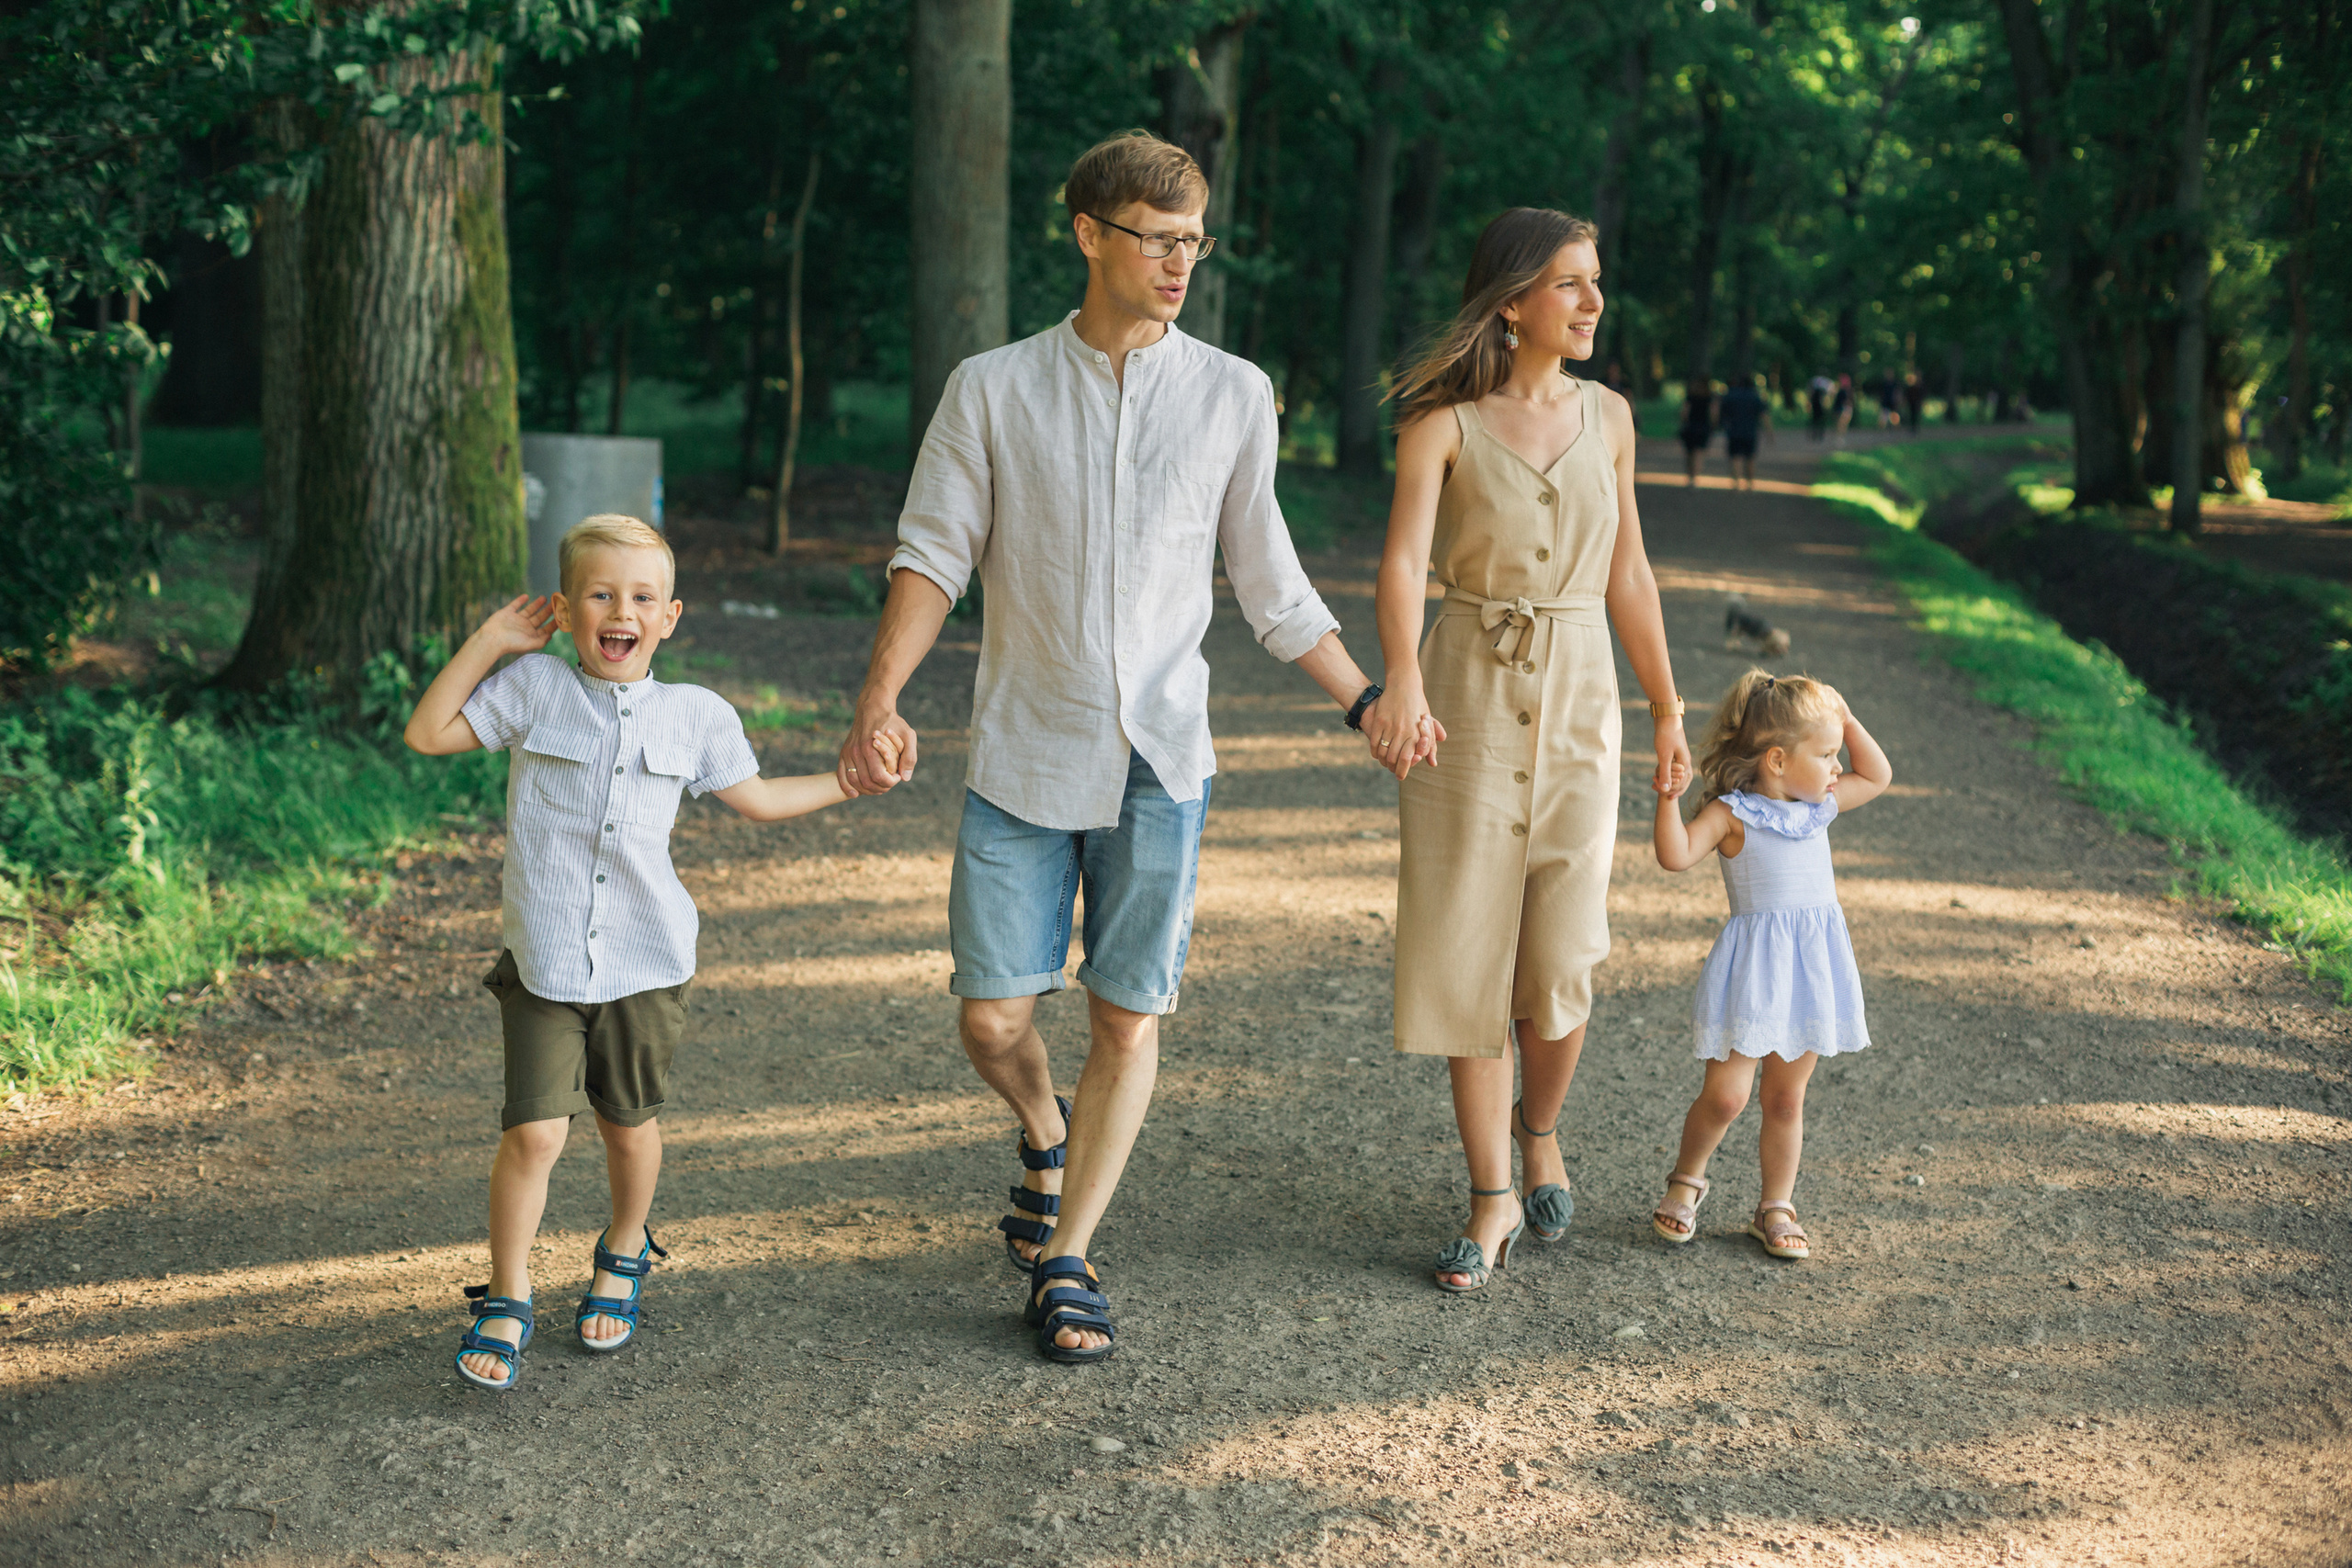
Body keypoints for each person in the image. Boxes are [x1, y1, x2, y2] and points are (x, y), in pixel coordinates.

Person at [835, 131, 1385, 1363]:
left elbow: (1273, 585)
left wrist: (1368, 701)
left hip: (1163, 760)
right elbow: (932, 555)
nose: (1182, 261)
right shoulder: (993, 386)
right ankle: (1043, 1126)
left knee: (1127, 1016)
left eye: (1196, 240)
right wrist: (878, 701)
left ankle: (1070, 1252)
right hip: (1024, 751)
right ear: (1090, 235)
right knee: (991, 1016)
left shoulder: (1235, 393)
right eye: (1158, 237)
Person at [404, 514, 894, 1393]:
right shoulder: (533, 688)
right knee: (534, 1132)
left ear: (671, 616)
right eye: (599, 594)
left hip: (647, 961)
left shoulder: (697, 714)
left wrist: (849, 780)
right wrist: (489, 639)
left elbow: (758, 798)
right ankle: (509, 1292)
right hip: (545, 961)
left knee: (627, 1124)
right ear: (566, 608)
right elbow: (428, 732)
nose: (619, 610)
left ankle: (625, 1244)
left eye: (640, 597)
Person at [1363, 207, 1690, 1292]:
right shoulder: (1442, 424)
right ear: (1512, 302)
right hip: (1462, 688)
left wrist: (1667, 708)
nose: (1593, 302)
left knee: (1561, 963)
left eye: (1595, 281)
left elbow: (1629, 574)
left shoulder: (1613, 418)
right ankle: (1490, 1193)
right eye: (1569, 283)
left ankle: (1537, 1125)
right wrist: (1400, 677)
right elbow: (1405, 564)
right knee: (1466, 950)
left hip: (1583, 694)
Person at [1647, 671, 1891, 1261]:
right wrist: (1669, 797)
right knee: (1727, 1096)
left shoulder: (1820, 807)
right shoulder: (1732, 815)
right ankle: (1687, 1180)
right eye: (1828, 754)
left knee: (1786, 1099)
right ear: (1778, 760)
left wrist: (1846, 719)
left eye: (1838, 754)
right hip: (1755, 975)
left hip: (1810, 972)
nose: (1839, 766)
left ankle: (1775, 1205)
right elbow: (1675, 855)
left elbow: (1879, 775)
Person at [1717, 373, 1770, 490]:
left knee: (1735, 457)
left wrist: (1719, 425)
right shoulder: (1755, 397)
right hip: (1750, 432)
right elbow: (1764, 416)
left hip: (1734, 431)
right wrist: (1770, 433)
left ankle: (1736, 483)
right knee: (1750, 458)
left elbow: (1721, 412)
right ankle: (1750, 483)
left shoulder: (1731, 396)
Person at [1678, 378, 1716, 486]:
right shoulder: (1709, 398)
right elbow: (1713, 413)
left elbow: (1684, 412)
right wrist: (1713, 424)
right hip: (1703, 427)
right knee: (1699, 452)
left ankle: (1689, 475)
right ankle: (1695, 477)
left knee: (1689, 453)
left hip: (1690, 427)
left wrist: (1683, 422)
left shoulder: (1690, 396)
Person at [1831, 374, 1855, 445]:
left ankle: (1840, 438)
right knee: (1841, 425)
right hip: (1843, 409)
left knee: (1841, 425)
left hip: (1845, 409)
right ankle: (1840, 438)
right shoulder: (1843, 391)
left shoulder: (1845, 391)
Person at [1902, 370, 1926, 435]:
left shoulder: (1920, 385)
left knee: (1916, 415)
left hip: (1917, 402)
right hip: (1912, 402)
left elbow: (1922, 395)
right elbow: (1908, 394)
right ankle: (1913, 427)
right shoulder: (1912, 385)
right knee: (1912, 414)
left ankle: (1915, 427)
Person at [1806, 377, 1830, 442]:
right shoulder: (1822, 390)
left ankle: (1818, 434)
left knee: (1818, 421)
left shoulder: (1817, 390)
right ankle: (1817, 434)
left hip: (1818, 407)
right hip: (1818, 407)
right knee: (1818, 421)